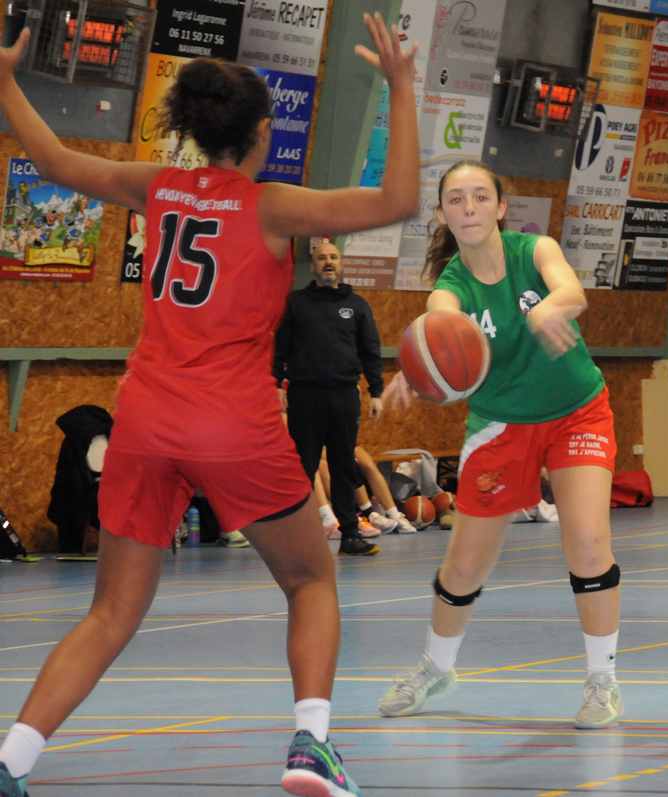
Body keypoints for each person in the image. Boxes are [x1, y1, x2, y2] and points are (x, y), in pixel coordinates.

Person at [0, 14, 419, 797]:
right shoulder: (271, 206)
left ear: (192, 128)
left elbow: (52, 159)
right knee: (311, 580)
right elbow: (399, 198)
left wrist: (4, 83)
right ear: (261, 133)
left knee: (110, 612)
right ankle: (311, 745)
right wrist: (399, 86)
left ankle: (11, 760)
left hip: (145, 420)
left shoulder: (155, 187)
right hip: (232, 422)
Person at [376, 160, 624, 730]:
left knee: (588, 542)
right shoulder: (451, 288)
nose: (469, 207)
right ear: (443, 214)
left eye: (480, 197)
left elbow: (571, 291)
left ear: (501, 206)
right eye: (456, 199)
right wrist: (419, 361)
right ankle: (436, 668)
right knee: (464, 565)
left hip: (577, 411)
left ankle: (602, 681)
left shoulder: (534, 250)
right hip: (501, 424)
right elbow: (439, 327)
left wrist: (550, 309)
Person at [274, 239, 384, 556]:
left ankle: (350, 535)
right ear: (313, 265)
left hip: (344, 395)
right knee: (303, 467)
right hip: (305, 396)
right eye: (322, 257)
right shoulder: (296, 304)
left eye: (334, 257)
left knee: (343, 465)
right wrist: (275, 385)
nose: (328, 262)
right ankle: (295, 536)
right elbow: (279, 349)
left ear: (341, 263)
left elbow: (370, 351)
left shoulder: (357, 305)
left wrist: (376, 391)